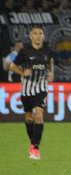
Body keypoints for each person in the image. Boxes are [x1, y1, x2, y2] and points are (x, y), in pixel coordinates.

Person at [8, 27, 54, 160]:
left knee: (39, 116)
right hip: (27, 89)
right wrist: (22, 73)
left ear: (43, 36)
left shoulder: (47, 51)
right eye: (35, 33)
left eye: (40, 33)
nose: (38, 36)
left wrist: (51, 74)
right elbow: (11, 66)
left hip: (41, 88)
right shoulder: (25, 51)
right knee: (28, 117)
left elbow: (49, 65)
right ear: (31, 36)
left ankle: (35, 147)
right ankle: (32, 143)